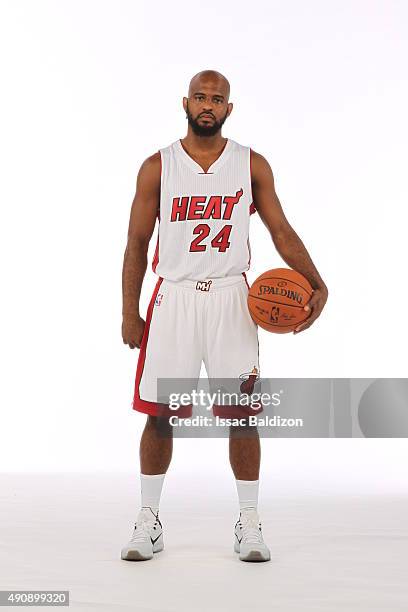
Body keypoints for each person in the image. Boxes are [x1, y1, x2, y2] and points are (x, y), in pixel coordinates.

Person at [120, 70, 328, 562]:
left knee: (242, 415)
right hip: (174, 296)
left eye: (217, 98)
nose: (207, 104)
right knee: (161, 414)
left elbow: (280, 229)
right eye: (200, 96)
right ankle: (149, 520)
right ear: (185, 103)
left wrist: (317, 281)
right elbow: (135, 242)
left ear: (228, 109)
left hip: (233, 298)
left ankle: (249, 522)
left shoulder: (250, 164)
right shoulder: (158, 166)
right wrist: (129, 309)